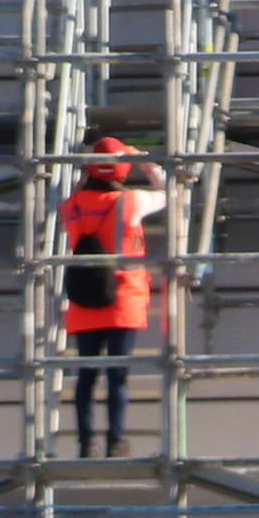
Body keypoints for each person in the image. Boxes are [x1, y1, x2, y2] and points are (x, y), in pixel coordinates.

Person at [55, 133, 165, 459]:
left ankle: (86, 443)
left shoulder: (71, 205)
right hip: (123, 297)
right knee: (118, 374)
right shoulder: (133, 201)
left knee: (86, 374)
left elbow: (67, 196)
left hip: (83, 297)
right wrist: (141, 155)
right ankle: (117, 441)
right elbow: (169, 190)